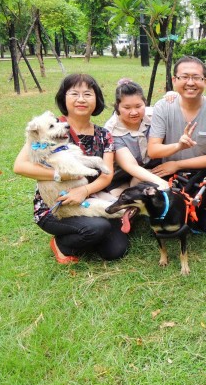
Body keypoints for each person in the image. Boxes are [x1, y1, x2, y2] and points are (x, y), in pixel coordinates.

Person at [13, 74, 129, 263]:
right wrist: (60, 175)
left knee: (115, 250)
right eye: (74, 93)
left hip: (89, 199)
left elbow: (106, 175)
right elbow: (20, 166)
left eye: (87, 94)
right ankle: (62, 244)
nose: (81, 99)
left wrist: (83, 191)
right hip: (55, 207)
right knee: (97, 228)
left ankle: (88, 232)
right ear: (63, 98)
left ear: (96, 99)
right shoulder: (47, 128)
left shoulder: (104, 134)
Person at [147, 56, 206, 234]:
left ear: (205, 81)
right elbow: (153, 150)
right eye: (184, 77)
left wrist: (177, 163)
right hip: (170, 177)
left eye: (196, 77)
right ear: (174, 80)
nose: (190, 82)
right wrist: (178, 147)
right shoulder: (163, 107)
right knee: (168, 221)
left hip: (202, 177)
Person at [104, 79, 168, 195]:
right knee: (119, 200)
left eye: (138, 106)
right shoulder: (112, 130)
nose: (133, 112)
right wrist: (160, 182)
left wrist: (173, 96)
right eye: (127, 108)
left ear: (145, 102)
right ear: (117, 106)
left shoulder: (155, 115)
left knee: (141, 184)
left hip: (153, 169)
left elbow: (176, 106)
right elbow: (130, 165)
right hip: (122, 175)